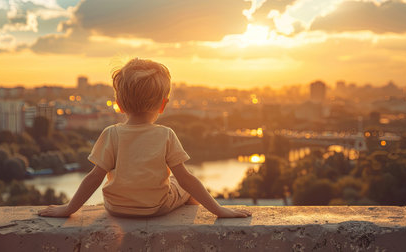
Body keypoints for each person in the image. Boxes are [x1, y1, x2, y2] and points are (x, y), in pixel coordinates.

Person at [38, 58, 251, 218]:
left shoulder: (111, 133)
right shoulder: (165, 134)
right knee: (181, 184)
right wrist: (219, 210)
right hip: (154, 208)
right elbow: (187, 179)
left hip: (116, 208)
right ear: (163, 105)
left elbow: (94, 177)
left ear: (119, 105)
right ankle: (188, 217)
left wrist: (68, 209)